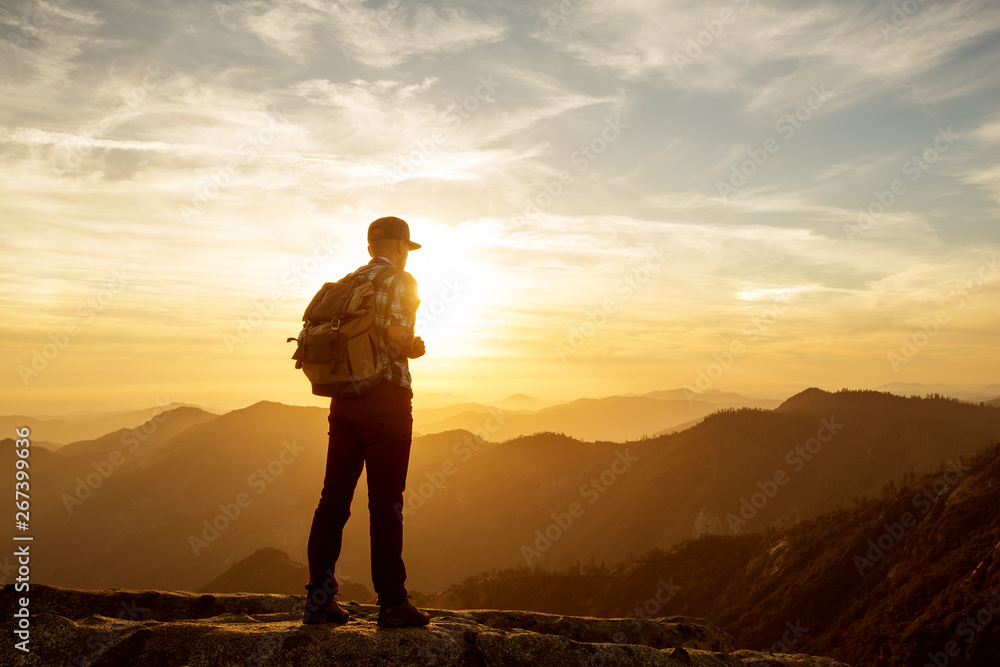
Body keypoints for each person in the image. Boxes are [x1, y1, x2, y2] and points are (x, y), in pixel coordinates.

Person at [303, 216, 430, 628]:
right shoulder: (400, 282)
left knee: (333, 501)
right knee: (386, 504)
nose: (406, 258)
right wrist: (415, 346)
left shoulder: (349, 281)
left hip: (343, 400)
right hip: (385, 400)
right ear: (398, 247)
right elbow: (396, 336)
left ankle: (320, 602)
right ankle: (392, 602)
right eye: (406, 250)